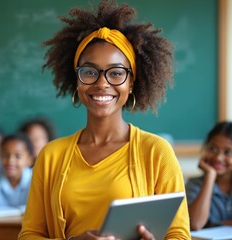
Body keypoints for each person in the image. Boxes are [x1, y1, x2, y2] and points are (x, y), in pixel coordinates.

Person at [19, 1, 190, 239]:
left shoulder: (156, 152)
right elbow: (29, 234)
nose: (102, 83)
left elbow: (179, 235)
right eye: (89, 71)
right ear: (76, 81)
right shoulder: (50, 156)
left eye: (116, 73)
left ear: (131, 83)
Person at [186, 121, 232, 230]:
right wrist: (210, 176)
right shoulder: (194, 185)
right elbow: (195, 224)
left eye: (228, 152)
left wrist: (218, 224)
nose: (218, 158)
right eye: (213, 149)